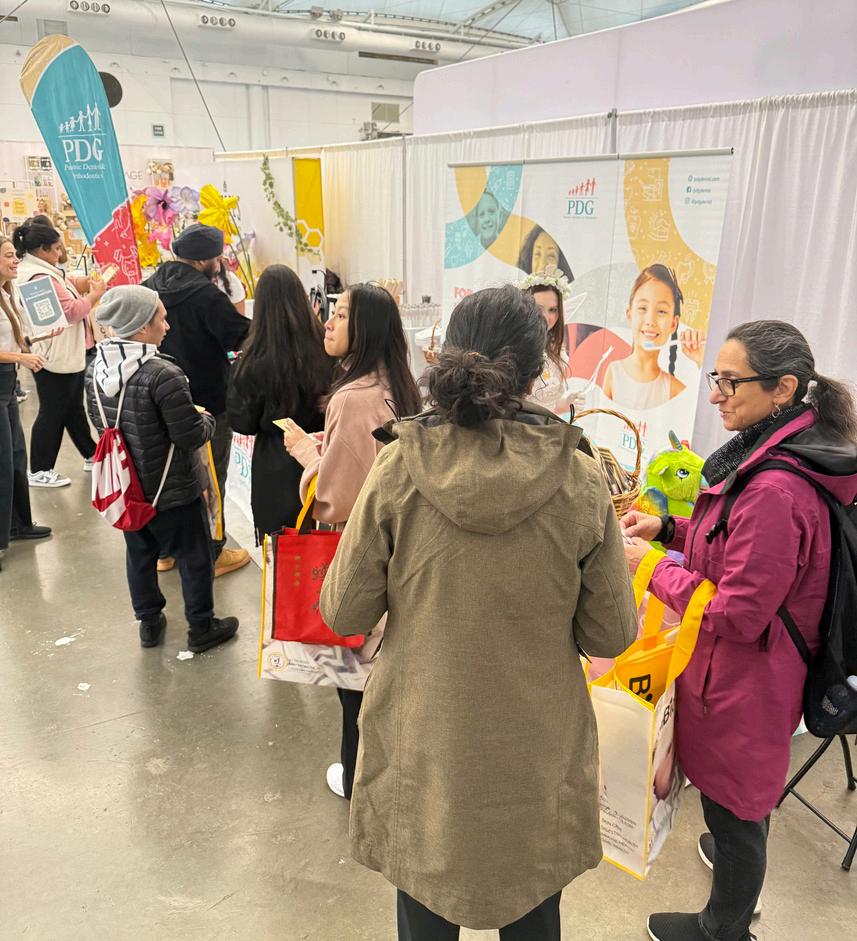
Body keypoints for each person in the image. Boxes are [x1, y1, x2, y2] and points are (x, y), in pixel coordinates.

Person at [318, 285, 636, 939]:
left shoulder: (399, 464)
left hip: (423, 737)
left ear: (444, 354)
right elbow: (610, 632)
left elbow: (344, 609)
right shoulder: (579, 479)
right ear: (537, 369)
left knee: (424, 901)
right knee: (533, 905)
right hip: (536, 747)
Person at [621, 320, 857, 941]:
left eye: (730, 382)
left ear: (783, 388)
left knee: (739, 811)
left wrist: (650, 568)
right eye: (716, 378)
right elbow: (735, 550)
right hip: (748, 672)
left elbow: (739, 612)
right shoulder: (777, 456)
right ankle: (731, 869)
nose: (716, 394)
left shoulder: (776, 487)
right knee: (738, 804)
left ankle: (722, 928)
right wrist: (668, 532)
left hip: (750, 679)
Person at [282, 282, 422, 801]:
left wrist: (306, 454)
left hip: (359, 550)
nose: (329, 322)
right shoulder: (398, 385)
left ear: (364, 329)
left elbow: (336, 499)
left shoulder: (350, 397)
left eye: (341, 315)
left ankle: (357, 780)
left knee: (353, 682)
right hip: (404, 549)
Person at [84, 285, 240, 653]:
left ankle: (149, 622)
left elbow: (99, 422)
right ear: (141, 326)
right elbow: (189, 436)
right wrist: (206, 418)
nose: (167, 326)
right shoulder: (162, 373)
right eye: (162, 318)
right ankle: (201, 627)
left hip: (128, 487)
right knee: (195, 557)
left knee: (140, 554)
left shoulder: (96, 369)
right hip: (173, 488)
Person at [143, 223, 250, 577]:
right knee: (210, 478)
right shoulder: (207, 296)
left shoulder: (147, 287)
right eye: (217, 257)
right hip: (206, 403)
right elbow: (241, 337)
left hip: (155, 399)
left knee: (164, 477)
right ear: (205, 260)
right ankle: (213, 552)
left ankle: (165, 552)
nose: (219, 263)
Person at [226, 265, 331, 539]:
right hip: (324, 452)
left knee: (283, 547)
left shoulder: (252, 361)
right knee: (326, 543)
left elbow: (242, 423)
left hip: (274, 460)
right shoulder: (326, 347)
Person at [13, 220, 106, 488]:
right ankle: (40, 468)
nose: (59, 253)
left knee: (72, 408)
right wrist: (94, 296)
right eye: (55, 248)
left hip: (62, 353)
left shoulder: (45, 272)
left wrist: (84, 286)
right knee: (53, 411)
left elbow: (66, 296)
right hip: (52, 355)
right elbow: (69, 313)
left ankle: (91, 453)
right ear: (41, 249)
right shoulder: (37, 277)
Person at [0, 236, 52, 569]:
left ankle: (18, 524)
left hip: (7, 383)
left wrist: (38, 338)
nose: (15, 260)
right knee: (3, 461)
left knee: (16, 456)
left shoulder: (8, 294)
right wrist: (21, 356)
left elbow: (10, 340)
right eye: (8, 256)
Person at [603, 264, 705, 410]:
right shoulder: (614, 372)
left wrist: (702, 360)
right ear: (629, 314)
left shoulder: (676, 390)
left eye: (662, 311)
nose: (650, 321)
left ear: (673, 323)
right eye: (643, 308)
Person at [518, 266, 574, 416]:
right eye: (539, 308)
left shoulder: (557, 351)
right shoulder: (512, 347)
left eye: (553, 310)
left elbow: (549, 406)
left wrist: (565, 404)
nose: (546, 317)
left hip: (545, 426)